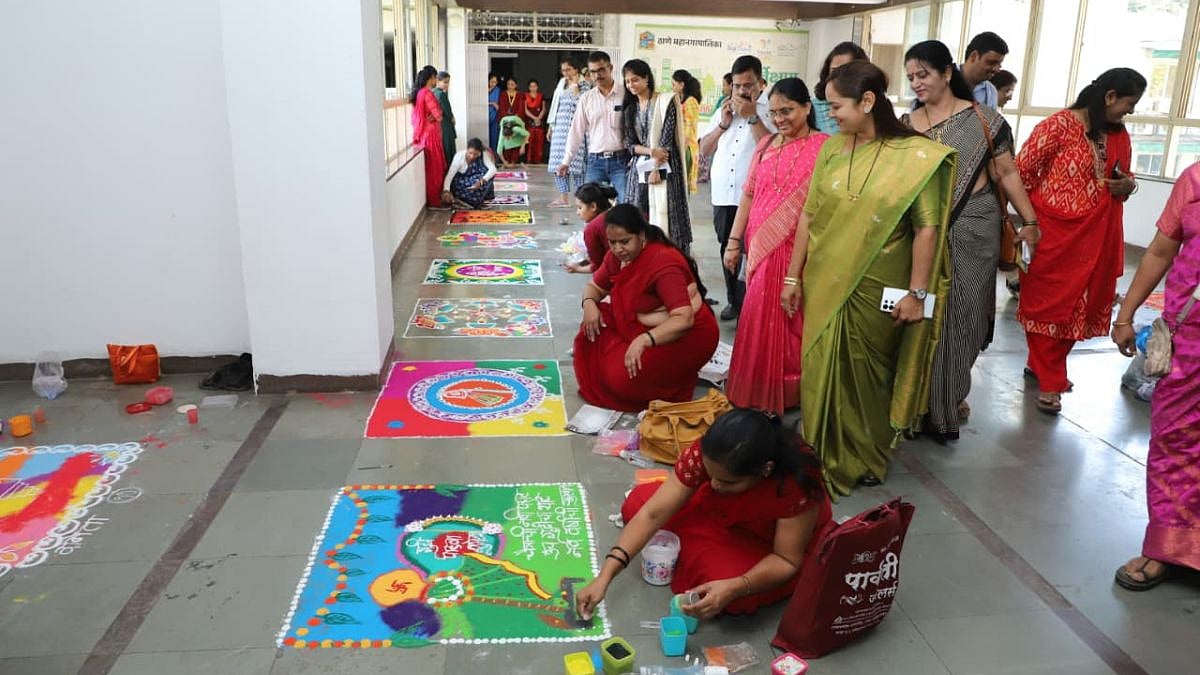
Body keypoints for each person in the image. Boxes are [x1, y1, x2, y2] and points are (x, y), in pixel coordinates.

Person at [779, 61, 954, 496]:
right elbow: (810, 216)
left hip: (880, 289)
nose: (831, 114)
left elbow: (927, 229)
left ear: (868, 101)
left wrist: (918, 294)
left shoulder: (916, 157)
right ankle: (819, 448)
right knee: (820, 366)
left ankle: (867, 456)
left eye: (836, 105)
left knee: (869, 376)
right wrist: (791, 277)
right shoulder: (833, 150)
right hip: (824, 281)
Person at [901, 40, 1040, 442]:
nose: (917, 83)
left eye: (923, 74)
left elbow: (1006, 173)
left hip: (974, 228)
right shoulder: (909, 125)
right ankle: (914, 407)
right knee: (921, 315)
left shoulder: (986, 122)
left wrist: (1028, 219)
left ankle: (943, 406)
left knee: (961, 317)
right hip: (921, 231)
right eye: (911, 77)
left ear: (947, 73)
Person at [575, 409, 832, 620]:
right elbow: (652, 515)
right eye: (711, 476)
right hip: (717, 511)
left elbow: (786, 560)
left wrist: (735, 587)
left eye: (727, 482)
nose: (716, 485)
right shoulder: (710, 454)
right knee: (638, 504)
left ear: (765, 470)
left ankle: (706, 561)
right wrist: (604, 576)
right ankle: (698, 551)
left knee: (723, 587)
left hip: (767, 542)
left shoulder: (796, 484)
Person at [1016, 68, 1143, 414]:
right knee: (1047, 305)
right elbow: (1021, 173)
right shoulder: (1057, 126)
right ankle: (1050, 380)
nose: (1129, 113)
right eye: (1128, 105)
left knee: (1078, 308)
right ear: (1110, 97)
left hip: (1098, 236)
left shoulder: (1119, 134)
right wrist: (1026, 223)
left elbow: (1126, 175)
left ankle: (1045, 370)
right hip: (1053, 235)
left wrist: (1126, 186)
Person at [1111, 162, 1200, 591]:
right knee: (1174, 442)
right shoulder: (1196, 179)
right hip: (1188, 341)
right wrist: (1125, 315)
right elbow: (1161, 252)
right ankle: (1168, 545)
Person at [722, 78, 828, 414]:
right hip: (760, 251)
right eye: (776, 111)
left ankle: (789, 394)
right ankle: (756, 390)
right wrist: (734, 242)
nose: (781, 118)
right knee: (756, 319)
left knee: (791, 324)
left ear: (807, 108)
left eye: (789, 111)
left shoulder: (826, 148)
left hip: (799, 252)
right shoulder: (766, 145)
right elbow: (749, 194)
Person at [574, 204, 719, 412]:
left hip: (685, 336)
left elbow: (683, 318)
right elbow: (594, 287)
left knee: (620, 380)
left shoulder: (663, 263)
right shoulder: (618, 256)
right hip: (642, 324)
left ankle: (674, 378)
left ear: (641, 235)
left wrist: (644, 340)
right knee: (591, 328)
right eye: (612, 243)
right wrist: (589, 304)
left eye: (624, 242)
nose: (618, 249)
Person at [699, 55, 776, 321]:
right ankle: (734, 300)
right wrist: (722, 125)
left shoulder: (769, 109)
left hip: (754, 195)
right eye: (737, 85)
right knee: (726, 248)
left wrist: (753, 117)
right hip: (723, 193)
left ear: (760, 83)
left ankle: (751, 305)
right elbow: (704, 149)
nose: (743, 91)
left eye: (748, 85)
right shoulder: (723, 109)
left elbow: (772, 149)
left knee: (751, 248)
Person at [621, 59, 693, 254]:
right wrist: (649, 152)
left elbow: (666, 140)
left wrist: (656, 168)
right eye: (627, 82)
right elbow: (628, 143)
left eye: (635, 80)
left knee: (669, 217)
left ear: (646, 78)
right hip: (639, 171)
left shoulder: (665, 101)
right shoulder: (630, 109)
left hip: (666, 168)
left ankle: (672, 259)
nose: (631, 85)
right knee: (639, 216)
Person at [559, 51, 629, 203]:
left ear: (611, 68)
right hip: (595, 162)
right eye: (593, 72)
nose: (597, 75)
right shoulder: (587, 98)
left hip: (621, 161)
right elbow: (576, 131)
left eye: (601, 70)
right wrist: (566, 161)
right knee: (590, 205)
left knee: (626, 203)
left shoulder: (626, 94)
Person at [548, 57, 591, 207]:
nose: (565, 73)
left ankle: (580, 198)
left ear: (576, 69)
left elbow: (585, 106)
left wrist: (576, 90)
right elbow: (556, 106)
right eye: (563, 70)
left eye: (568, 70)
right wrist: (551, 127)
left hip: (576, 129)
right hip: (560, 128)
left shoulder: (585, 85)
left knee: (577, 166)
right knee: (557, 164)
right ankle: (563, 197)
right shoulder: (561, 84)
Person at [812, 42, 868, 135]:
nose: (839, 77)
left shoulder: (867, 104)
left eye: (846, 71)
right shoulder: (813, 108)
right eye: (835, 71)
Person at [410, 65, 447, 207]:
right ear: (431, 78)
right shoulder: (427, 93)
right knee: (435, 169)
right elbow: (438, 115)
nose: (436, 81)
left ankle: (433, 199)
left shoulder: (419, 93)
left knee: (432, 168)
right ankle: (434, 200)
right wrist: (437, 114)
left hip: (424, 134)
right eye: (435, 78)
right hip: (431, 136)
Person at [563, 182, 618, 274]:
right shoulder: (616, 213)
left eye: (580, 208)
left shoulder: (593, 228)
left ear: (593, 206)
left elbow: (598, 266)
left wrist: (577, 268)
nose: (577, 212)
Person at [441, 138, 497, 209]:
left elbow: (493, 169)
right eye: (470, 153)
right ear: (467, 149)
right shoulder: (459, 156)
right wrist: (446, 190)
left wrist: (481, 181)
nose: (472, 156)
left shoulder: (483, 156)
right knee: (473, 187)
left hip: (475, 183)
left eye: (475, 154)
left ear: (480, 153)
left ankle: (471, 200)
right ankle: (464, 200)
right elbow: (450, 175)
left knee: (488, 175)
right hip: (461, 184)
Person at [698, 73, 732, 184]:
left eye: (724, 85)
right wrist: (722, 125)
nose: (723, 88)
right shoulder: (723, 102)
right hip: (716, 134)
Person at [672, 69, 702, 194]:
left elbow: (689, 129)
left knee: (682, 186)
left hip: (686, 148)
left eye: (674, 84)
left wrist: (682, 149)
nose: (672, 87)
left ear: (682, 85)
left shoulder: (690, 102)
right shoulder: (683, 100)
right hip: (682, 146)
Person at [960, 32, 1009, 109]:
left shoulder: (991, 92)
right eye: (991, 62)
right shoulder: (943, 81)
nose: (996, 69)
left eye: (999, 64)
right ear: (974, 56)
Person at [497, 77, 526, 158]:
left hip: (516, 120)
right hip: (506, 120)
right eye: (508, 84)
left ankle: (514, 160)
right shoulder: (503, 94)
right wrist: (507, 118)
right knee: (506, 139)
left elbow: (521, 108)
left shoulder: (520, 95)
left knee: (515, 139)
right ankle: (506, 159)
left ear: (516, 85)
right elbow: (501, 107)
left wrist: (515, 118)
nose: (510, 86)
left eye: (512, 84)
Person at [433, 71, 457, 161]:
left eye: (448, 82)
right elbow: (447, 110)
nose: (447, 85)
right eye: (445, 82)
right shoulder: (441, 94)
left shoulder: (433, 92)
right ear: (438, 81)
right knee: (448, 149)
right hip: (445, 124)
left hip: (438, 124)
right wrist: (452, 118)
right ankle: (451, 172)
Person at [523, 79, 547, 164]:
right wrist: (534, 118)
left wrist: (538, 118)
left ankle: (538, 161)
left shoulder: (541, 96)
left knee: (539, 142)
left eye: (534, 86)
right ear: (529, 87)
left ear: (537, 87)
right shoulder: (525, 96)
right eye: (531, 86)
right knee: (529, 141)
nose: (533, 88)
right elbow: (525, 110)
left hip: (539, 122)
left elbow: (543, 109)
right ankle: (529, 160)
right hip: (529, 122)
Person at [487, 73, 501, 151]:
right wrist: (491, 103)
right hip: (484, 115)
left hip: (494, 116)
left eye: (495, 82)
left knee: (494, 137)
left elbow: (499, 103)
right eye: (492, 82)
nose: (493, 84)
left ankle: (494, 156)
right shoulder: (483, 89)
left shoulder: (497, 90)